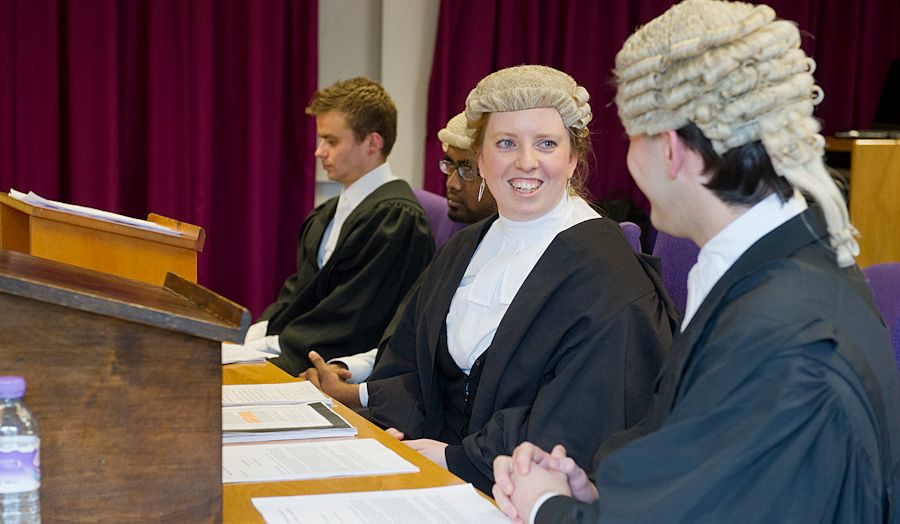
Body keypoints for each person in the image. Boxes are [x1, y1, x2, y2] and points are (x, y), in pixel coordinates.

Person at [492, 2, 900, 522]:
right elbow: (710, 474)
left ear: (670, 149)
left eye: (634, 136)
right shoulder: (786, 265)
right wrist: (593, 492)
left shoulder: (781, 335)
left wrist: (547, 506)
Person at [336, 65, 677, 495]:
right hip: (425, 473)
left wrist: (449, 458)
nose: (526, 162)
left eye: (547, 144)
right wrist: (401, 438)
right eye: (506, 143)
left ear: (572, 159)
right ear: (480, 158)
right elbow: (407, 362)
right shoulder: (464, 249)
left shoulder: (609, 275)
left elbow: (581, 417)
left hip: (521, 493)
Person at [228, 77, 435, 376]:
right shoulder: (328, 213)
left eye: (332, 141)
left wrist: (269, 348)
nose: (319, 151)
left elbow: (354, 318)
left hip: (336, 364)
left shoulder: (398, 220)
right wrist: (253, 336)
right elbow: (299, 295)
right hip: (299, 345)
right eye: (321, 140)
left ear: (372, 143)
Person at [303, 111, 499, 386]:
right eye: (449, 166)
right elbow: (403, 340)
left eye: (466, 170)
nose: (451, 183)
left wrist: (357, 393)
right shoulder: (458, 247)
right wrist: (345, 368)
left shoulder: (399, 217)